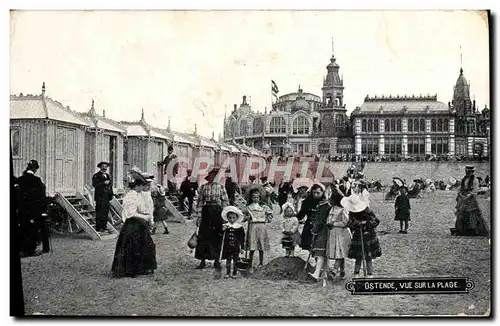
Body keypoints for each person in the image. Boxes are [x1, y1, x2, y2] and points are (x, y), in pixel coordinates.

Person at [111, 172, 157, 278]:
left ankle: (141, 268)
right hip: (132, 224)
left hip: (140, 224)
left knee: (144, 245)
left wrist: (147, 216)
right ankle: (130, 269)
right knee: (132, 246)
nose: (142, 188)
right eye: (141, 186)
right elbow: (131, 213)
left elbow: (143, 207)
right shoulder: (130, 196)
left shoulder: (139, 194)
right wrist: (144, 217)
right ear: (136, 186)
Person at [194, 166, 229, 270]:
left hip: (217, 213)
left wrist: (225, 215)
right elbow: (200, 202)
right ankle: (202, 261)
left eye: (215, 176)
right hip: (206, 212)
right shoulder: (203, 187)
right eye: (211, 176)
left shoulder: (221, 187)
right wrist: (199, 216)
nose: (213, 178)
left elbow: (225, 202)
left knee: (217, 237)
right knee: (204, 237)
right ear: (208, 177)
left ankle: (217, 261)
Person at [343, 195, 382, 278]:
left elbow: (376, 221)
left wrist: (365, 223)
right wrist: (355, 224)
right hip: (358, 236)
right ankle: (356, 274)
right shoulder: (352, 213)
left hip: (368, 236)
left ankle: (369, 274)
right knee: (358, 256)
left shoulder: (367, 211)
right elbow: (349, 224)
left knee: (368, 257)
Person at [16, 160, 48, 257]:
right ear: (35, 169)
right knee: (39, 227)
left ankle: (23, 249)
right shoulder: (37, 180)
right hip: (35, 209)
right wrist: (44, 208)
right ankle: (44, 248)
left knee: (23, 228)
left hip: (23, 209)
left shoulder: (20, 179)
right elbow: (41, 196)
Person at [303, 183, 332, 282]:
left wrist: (315, 230)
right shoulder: (326, 204)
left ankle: (317, 273)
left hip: (322, 231)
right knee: (323, 252)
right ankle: (324, 273)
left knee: (320, 251)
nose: (316, 195)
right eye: (314, 192)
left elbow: (320, 220)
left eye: (318, 193)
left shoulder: (324, 205)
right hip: (326, 229)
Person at [242, 184, 273, 272]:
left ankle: (261, 262)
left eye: (257, 197)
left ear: (260, 198)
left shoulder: (264, 207)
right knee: (252, 246)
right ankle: (250, 263)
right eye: (254, 197)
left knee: (261, 245)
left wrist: (268, 218)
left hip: (261, 227)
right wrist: (247, 218)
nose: (256, 199)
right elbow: (243, 217)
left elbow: (270, 214)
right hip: (253, 227)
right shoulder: (249, 207)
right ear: (251, 198)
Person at [454, 166, 489, 237]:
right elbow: (461, 188)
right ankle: (462, 230)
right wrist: (460, 194)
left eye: (468, 172)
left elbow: (475, 191)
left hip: (471, 199)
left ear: (472, 172)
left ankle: (473, 230)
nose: (467, 173)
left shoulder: (475, 180)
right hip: (463, 197)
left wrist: (468, 196)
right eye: (466, 172)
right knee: (461, 213)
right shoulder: (464, 179)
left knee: (472, 213)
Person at [326, 186, 351, 281]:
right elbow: (329, 218)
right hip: (333, 233)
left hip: (341, 234)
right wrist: (328, 223)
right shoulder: (332, 209)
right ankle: (342, 271)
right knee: (339, 253)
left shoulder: (342, 209)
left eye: (331, 198)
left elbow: (346, 222)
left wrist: (334, 223)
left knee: (340, 252)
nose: (329, 200)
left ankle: (334, 271)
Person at [221, 206, 245, 279]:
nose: (231, 219)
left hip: (235, 247)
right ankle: (228, 272)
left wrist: (242, 247)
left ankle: (234, 272)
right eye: (230, 218)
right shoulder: (226, 226)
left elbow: (242, 238)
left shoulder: (239, 227)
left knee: (235, 260)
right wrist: (223, 230)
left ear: (236, 218)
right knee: (228, 260)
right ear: (227, 218)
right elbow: (221, 236)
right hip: (228, 246)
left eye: (233, 218)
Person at [92, 161, 114, 233]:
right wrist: (103, 183)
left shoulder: (107, 175)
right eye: (103, 167)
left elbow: (110, 186)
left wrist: (111, 194)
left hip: (106, 197)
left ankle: (104, 227)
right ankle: (99, 228)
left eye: (105, 167)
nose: (104, 168)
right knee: (99, 212)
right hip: (100, 197)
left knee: (105, 212)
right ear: (100, 167)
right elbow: (95, 185)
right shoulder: (96, 175)